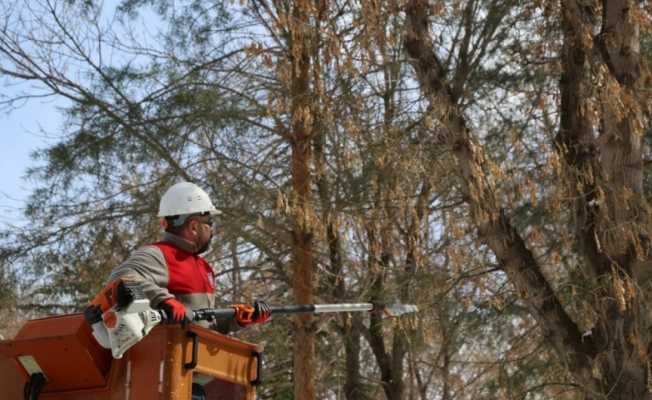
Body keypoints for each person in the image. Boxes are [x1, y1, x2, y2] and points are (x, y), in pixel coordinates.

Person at [108, 181, 270, 331]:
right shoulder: (158, 255)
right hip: (167, 356)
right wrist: (163, 300)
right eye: (210, 223)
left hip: (194, 358)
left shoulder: (204, 267)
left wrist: (237, 320)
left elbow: (206, 326)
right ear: (193, 227)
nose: (212, 231)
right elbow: (121, 279)